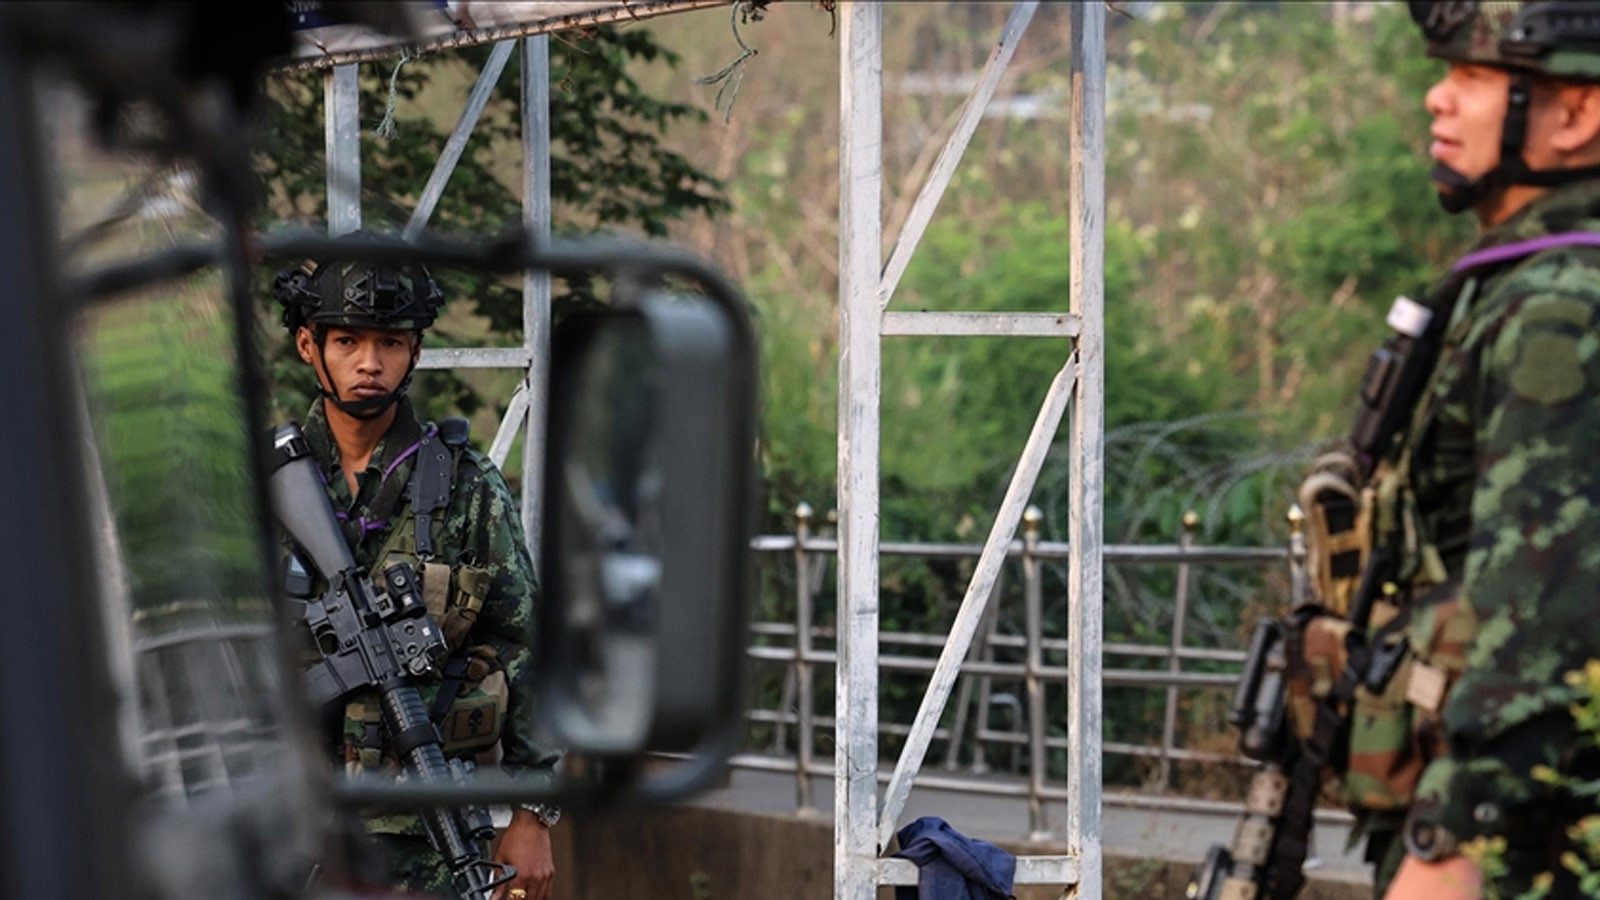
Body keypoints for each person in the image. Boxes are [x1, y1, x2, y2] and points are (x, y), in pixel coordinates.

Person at [1331, 3, 1600, 898]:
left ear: (1577, 113)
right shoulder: (1522, 280)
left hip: (1526, 844)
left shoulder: (1560, 308)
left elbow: (1545, 628)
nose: (1437, 99)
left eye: (1475, 77)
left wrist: (1453, 842)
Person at [274, 247, 561, 900]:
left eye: (390, 342)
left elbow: (527, 645)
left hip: (423, 839)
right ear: (307, 345)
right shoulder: (261, 487)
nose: (369, 362)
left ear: (416, 351)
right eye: (346, 340)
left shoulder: (465, 486)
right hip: (287, 826)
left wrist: (531, 812)